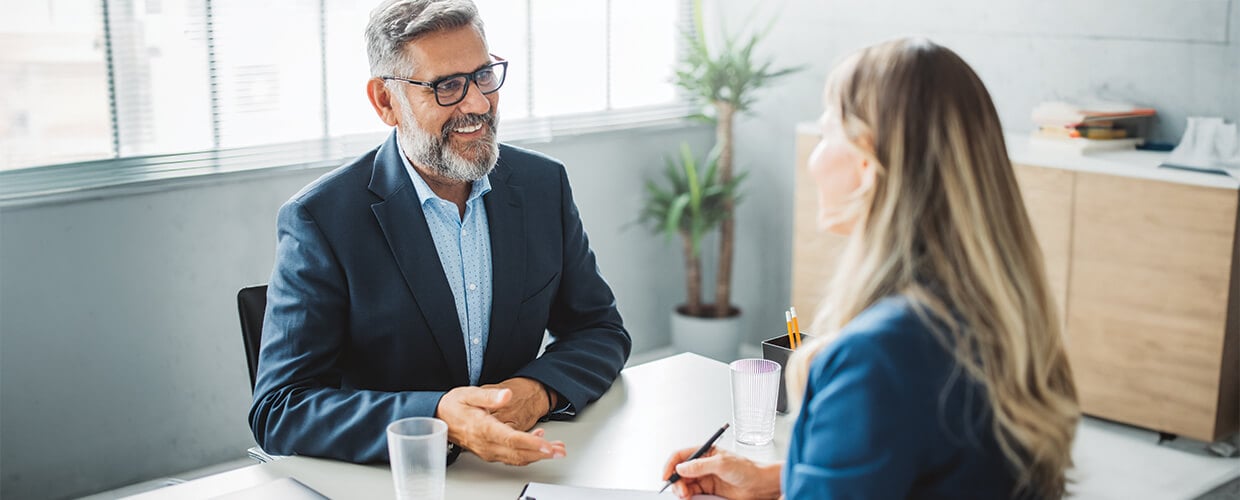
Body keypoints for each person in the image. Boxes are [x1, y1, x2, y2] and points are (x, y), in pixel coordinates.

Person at [662, 38, 1080, 499]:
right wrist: (781, 479)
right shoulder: (1000, 318)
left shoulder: (875, 356)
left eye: (825, 135)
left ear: (866, 166)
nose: (814, 159)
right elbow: (927, 469)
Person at [249, 0, 631, 466]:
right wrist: (436, 417)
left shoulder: (542, 186)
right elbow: (280, 409)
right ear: (386, 101)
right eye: (447, 86)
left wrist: (538, 392)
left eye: (484, 75)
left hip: (519, 473)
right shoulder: (321, 219)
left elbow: (600, 329)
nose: (478, 104)